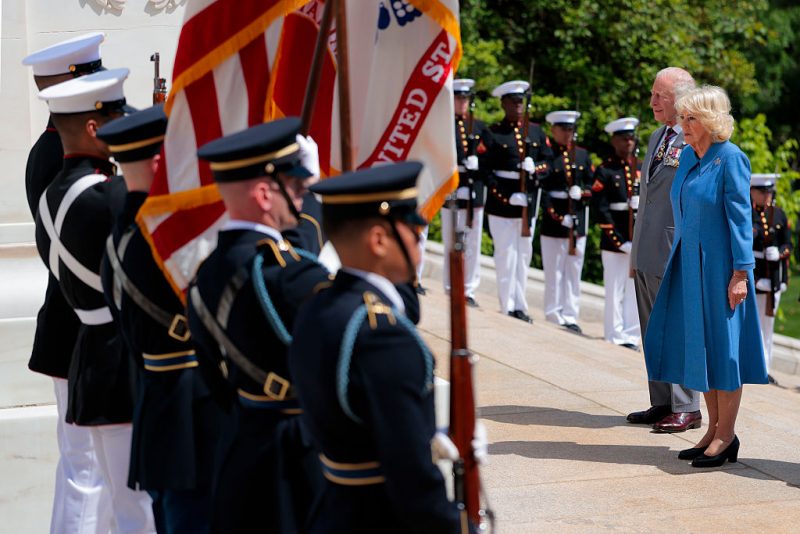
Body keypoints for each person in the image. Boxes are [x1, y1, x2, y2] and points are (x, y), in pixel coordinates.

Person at [288, 161, 475, 533]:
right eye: (412, 227)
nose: (420, 237)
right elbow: (413, 479)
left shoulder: (318, 305)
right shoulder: (383, 335)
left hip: (331, 510)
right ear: (378, 239)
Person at [187, 117, 328, 533]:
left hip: (240, 447)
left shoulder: (204, 273)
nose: (304, 195)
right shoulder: (290, 275)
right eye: (298, 186)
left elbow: (214, 378)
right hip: (301, 457)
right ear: (265, 194)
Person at [35, 68, 155, 531]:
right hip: (124, 357)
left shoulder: (52, 194)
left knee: (117, 503)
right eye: (117, 120)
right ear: (94, 127)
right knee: (138, 508)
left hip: (91, 353)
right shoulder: (109, 197)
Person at [96, 106, 223, 533]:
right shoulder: (167, 241)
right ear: (159, 162)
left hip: (155, 399)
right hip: (195, 406)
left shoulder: (118, 241)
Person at [644, 85, 768, 467]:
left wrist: (741, 274)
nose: (682, 124)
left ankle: (727, 436)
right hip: (689, 267)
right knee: (704, 351)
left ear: (711, 121)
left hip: (720, 271)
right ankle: (713, 430)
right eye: (681, 117)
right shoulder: (688, 159)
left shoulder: (730, 159)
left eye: (690, 118)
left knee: (725, 353)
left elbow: (740, 221)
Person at [21, 32, 112, 534]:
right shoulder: (58, 156)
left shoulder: (61, 149)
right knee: (85, 467)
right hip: (80, 319)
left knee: (93, 467)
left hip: (74, 321)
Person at [627, 67, 702, 433]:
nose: (653, 101)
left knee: (678, 328)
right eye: (653, 93)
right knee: (651, 330)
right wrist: (635, 252)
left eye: (661, 95)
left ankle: (687, 405)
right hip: (647, 249)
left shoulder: (695, 139)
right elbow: (648, 199)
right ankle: (662, 401)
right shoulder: (658, 135)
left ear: (682, 100)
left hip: (676, 250)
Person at [485, 80, 552, 323]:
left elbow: (549, 162)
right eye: (513, 102)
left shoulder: (535, 131)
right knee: (505, 255)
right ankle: (507, 304)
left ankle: (520, 305)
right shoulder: (493, 132)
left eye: (520, 102)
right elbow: (487, 172)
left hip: (528, 204)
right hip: (502, 205)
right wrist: (505, 195)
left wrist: (536, 168)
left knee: (523, 255)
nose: (518, 106)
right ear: (503, 104)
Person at [539, 110, 594, 334]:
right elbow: (543, 191)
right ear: (553, 130)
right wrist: (559, 217)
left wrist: (581, 192)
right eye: (564, 129)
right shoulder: (548, 155)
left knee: (573, 271)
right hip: (555, 224)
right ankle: (553, 312)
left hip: (577, 224)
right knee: (554, 271)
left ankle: (570, 314)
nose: (568, 134)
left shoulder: (582, 156)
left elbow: (594, 187)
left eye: (571, 129)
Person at [441, 78, 492, 307]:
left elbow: (493, 158)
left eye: (465, 98)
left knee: (472, 243)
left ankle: (469, 288)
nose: (462, 102)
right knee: (451, 239)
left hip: (474, 192)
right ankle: (451, 286)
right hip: (452, 188)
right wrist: (459, 163)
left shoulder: (479, 127)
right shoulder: (443, 124)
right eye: (459, 98)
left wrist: (478, 162)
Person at [593, 117, 642, 349]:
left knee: (634, 290)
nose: (629, 142)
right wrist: (619, 241)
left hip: (638, 239)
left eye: (631, 138)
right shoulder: (605, 170)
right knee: (614, 289)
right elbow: (601, 210)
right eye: (624, 138)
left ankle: (631, 334)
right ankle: (613, 333)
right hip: (616, 241)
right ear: (614, 140)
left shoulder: (641, 168)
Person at [749, 174, 791, 382]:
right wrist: (755, 280)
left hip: (773, 281)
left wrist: (780, 252)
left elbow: (788, 245)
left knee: (767, 327)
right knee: (753, 325)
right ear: (752, 192)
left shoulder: (780, 215)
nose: (767, 196)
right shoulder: (746, 215)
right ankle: (752, 366)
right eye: (762, 192)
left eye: (769, 192)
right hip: (755, 281)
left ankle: (764, 368)